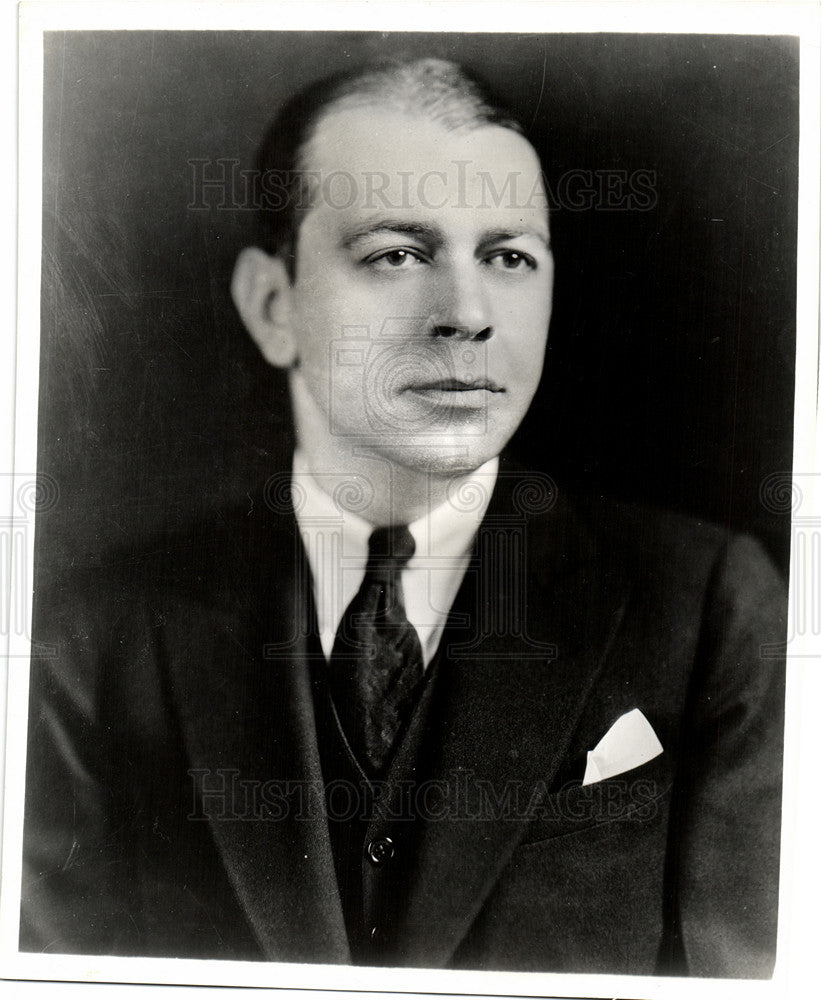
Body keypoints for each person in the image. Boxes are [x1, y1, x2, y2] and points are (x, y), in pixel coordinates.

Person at [20, 58, 786, 978]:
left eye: (508, 257)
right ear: (273, 306)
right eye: (396, 253)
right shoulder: (88, 646)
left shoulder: (708, 609)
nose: (466, 314)